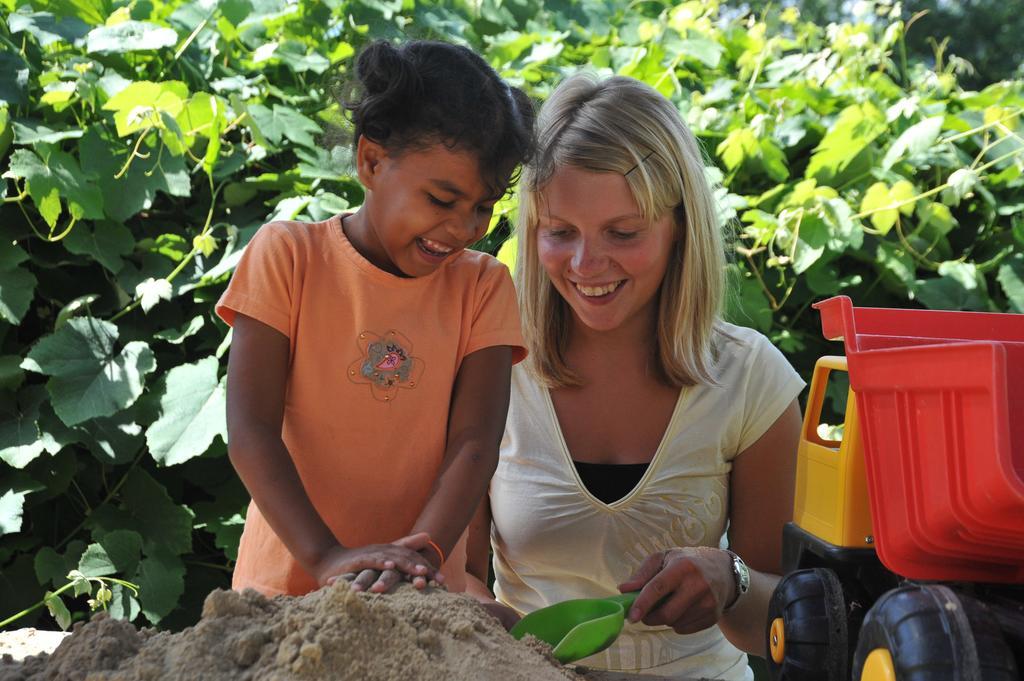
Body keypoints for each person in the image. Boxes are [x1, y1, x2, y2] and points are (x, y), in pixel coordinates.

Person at [465, 73, 804, 680]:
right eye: (559, 232)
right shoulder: (492, 362)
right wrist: (493, 631)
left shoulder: (751, 378)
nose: (585, 265)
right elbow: (456, 574)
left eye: (623, 233)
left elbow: (771, 624)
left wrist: (730, 581)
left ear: (681, 227)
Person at [216, 39, 534, 598]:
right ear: (370, 161)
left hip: (424, 598)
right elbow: (250, 431)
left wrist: (423, 557)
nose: (464, 229)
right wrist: (326, 557)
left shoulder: (483, 287)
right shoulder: (287, 257)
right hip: (282, 595)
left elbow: (475, 443)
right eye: (441, 199)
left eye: (483, 207)